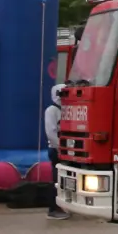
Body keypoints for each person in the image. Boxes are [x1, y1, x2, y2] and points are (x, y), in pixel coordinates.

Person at [44, 84, 68, 220]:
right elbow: (51, 133)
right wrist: (60, 148)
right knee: (56, 179)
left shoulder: (67, 110)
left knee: (64, 179)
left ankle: (62, 205)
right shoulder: (51, 110)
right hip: (56, 150)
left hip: (67, 150)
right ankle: (53, 208)